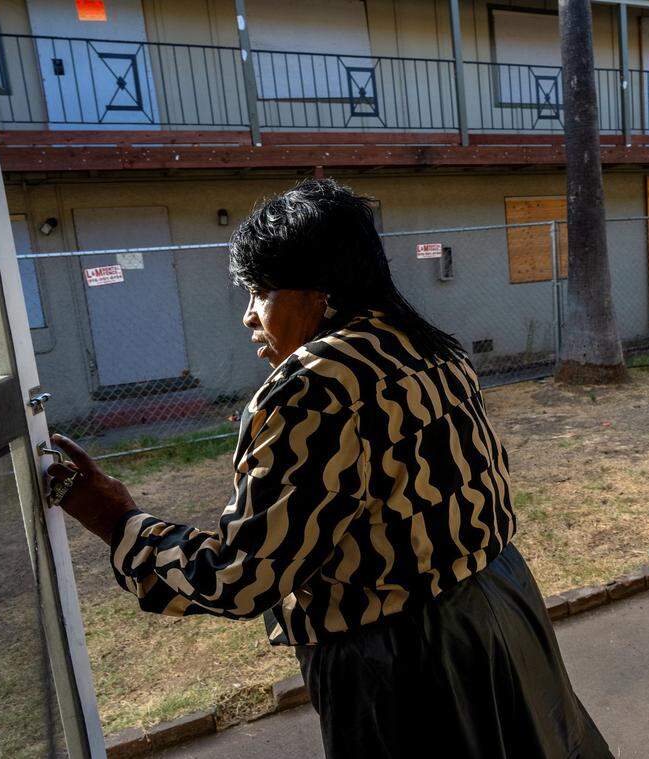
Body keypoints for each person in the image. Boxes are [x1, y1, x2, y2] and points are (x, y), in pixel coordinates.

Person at [46, 178, 612, 759]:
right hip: (504, 609)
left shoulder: (313, 387)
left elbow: (244, 577)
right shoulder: (430, 348)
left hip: (405, 664)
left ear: (320, 293)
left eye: (260, 292)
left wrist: (118, 521)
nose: (248, 317)